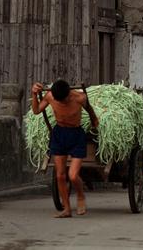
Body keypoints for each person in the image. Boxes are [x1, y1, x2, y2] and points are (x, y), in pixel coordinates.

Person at [31, 80, 99, 218]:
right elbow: (36, 110)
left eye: (63, 100)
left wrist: (94, 122)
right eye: (58, 101)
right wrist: (34, 94)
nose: (61, 103)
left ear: (69, 95)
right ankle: (67, 209)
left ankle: (80, 196)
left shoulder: (79, 98)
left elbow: (90, 110)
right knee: (60, 175)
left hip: (76, 135)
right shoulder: (50, 96)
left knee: (73, 175)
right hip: (59, 134)